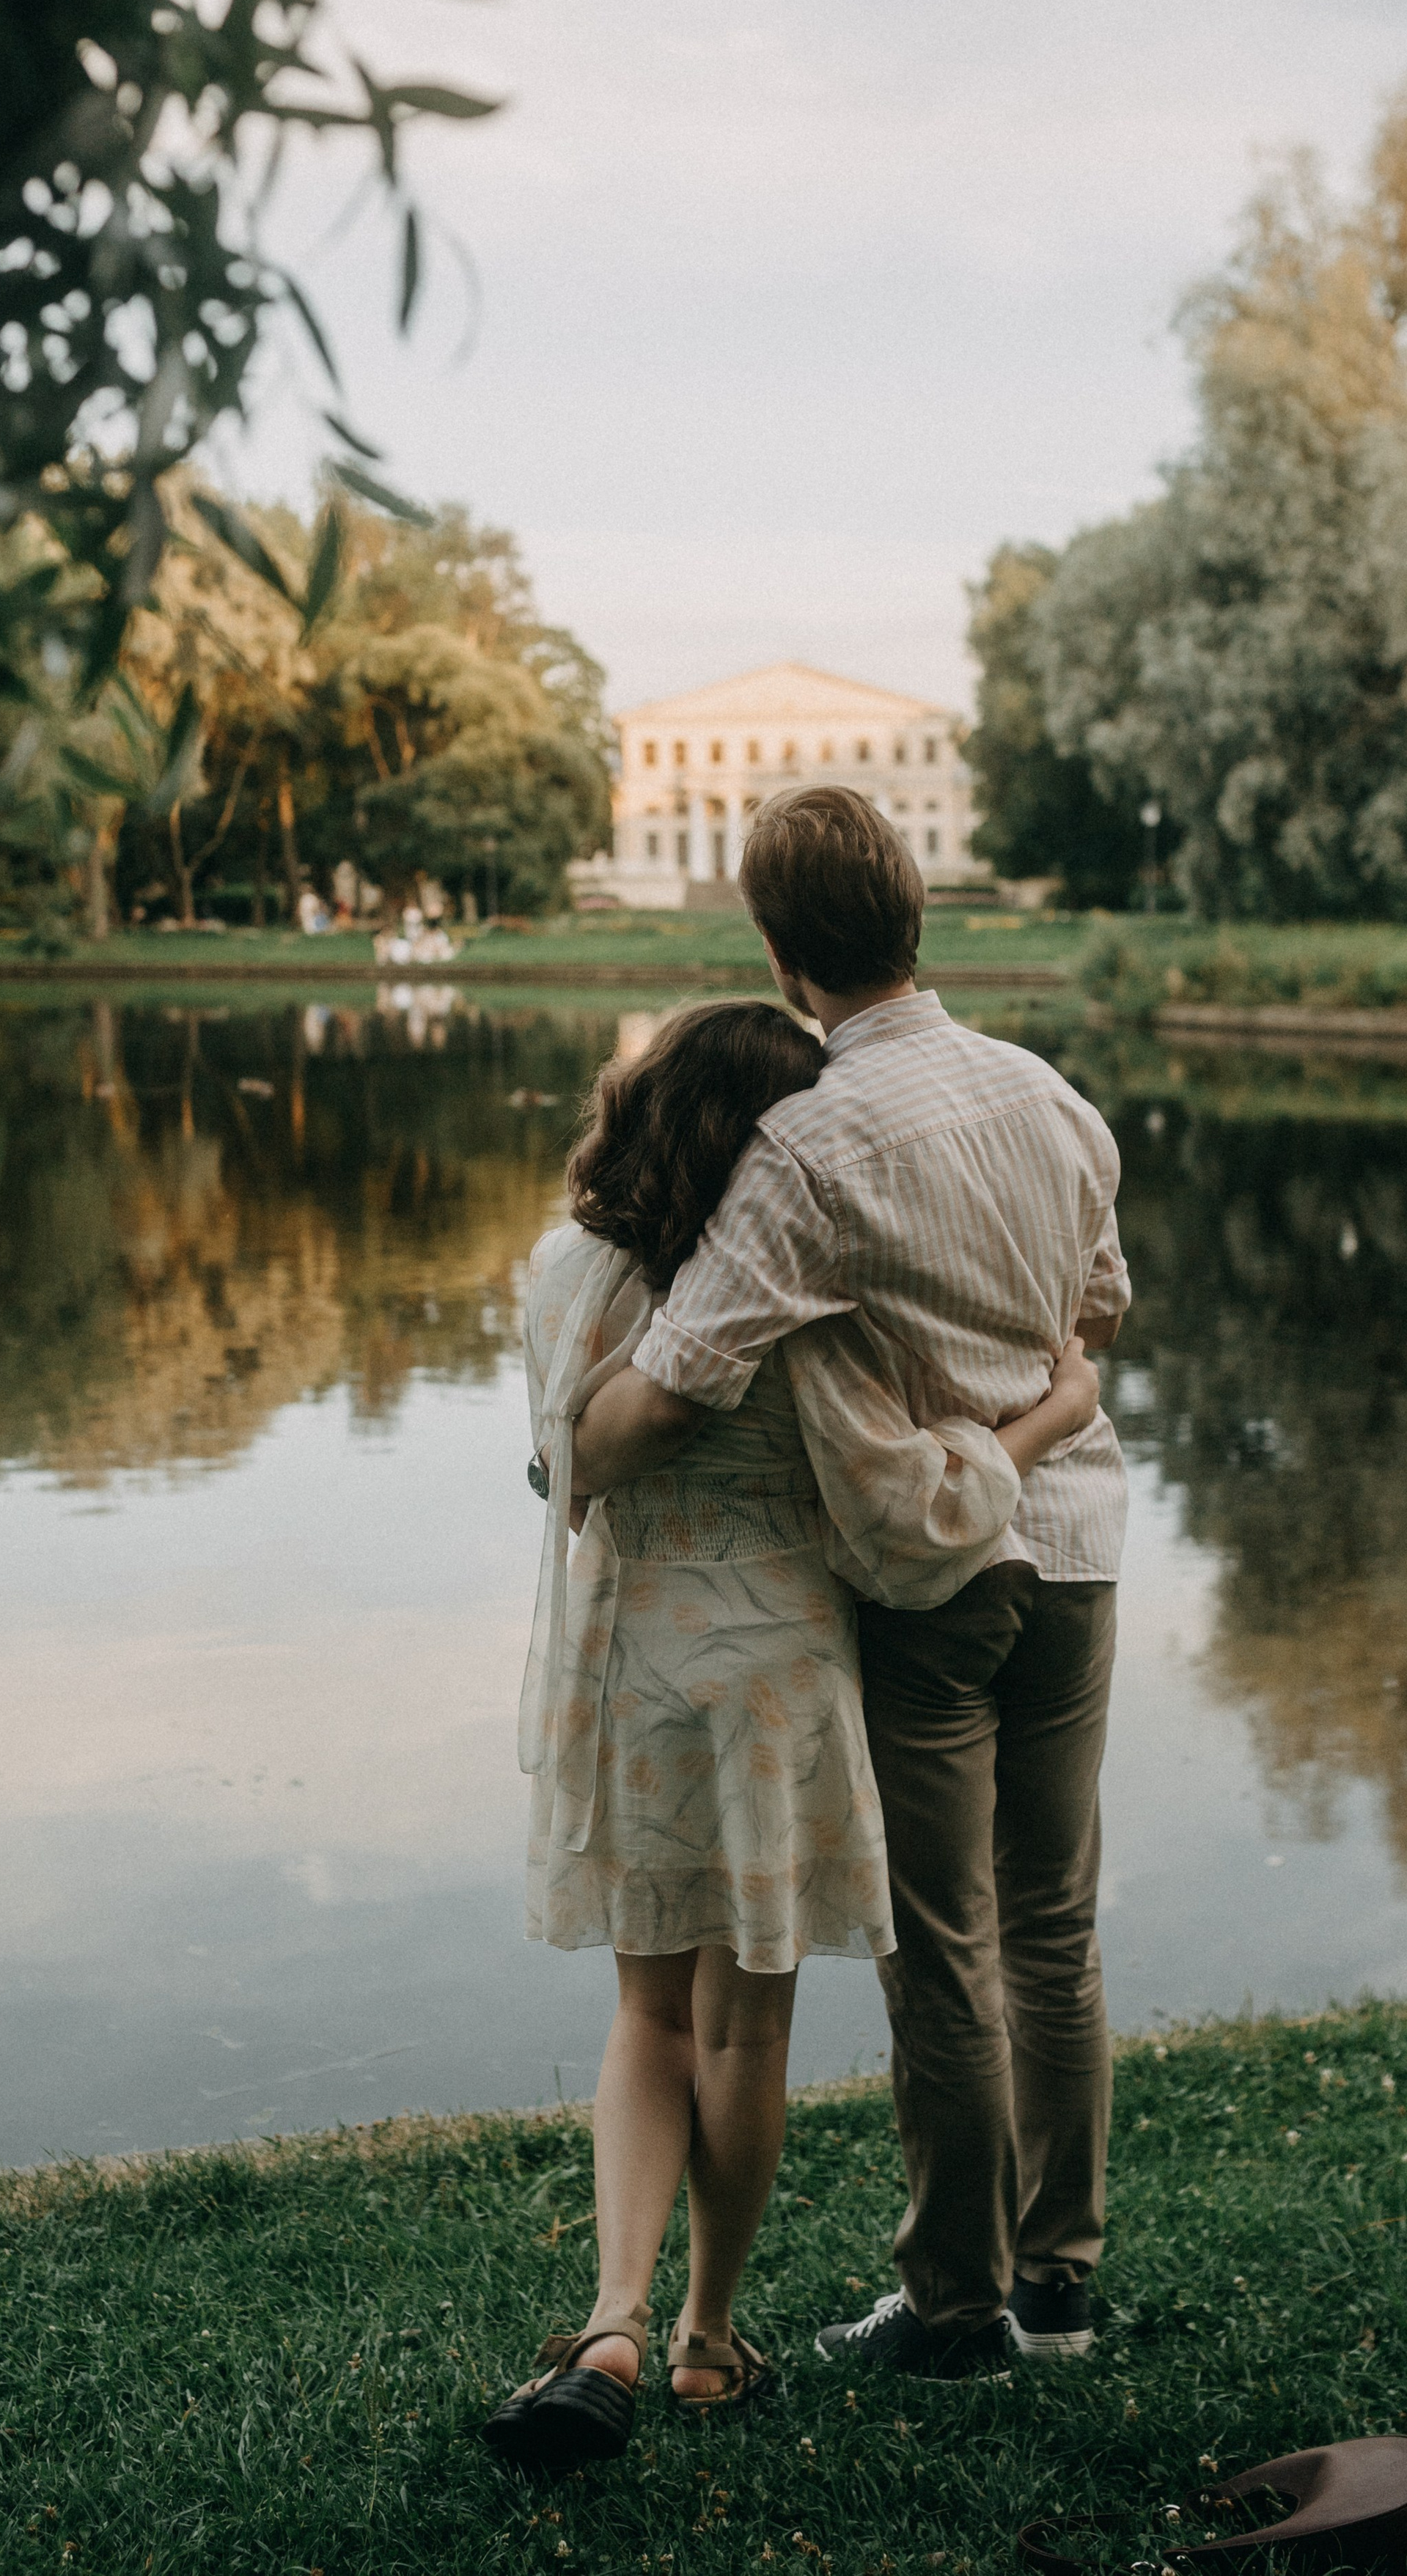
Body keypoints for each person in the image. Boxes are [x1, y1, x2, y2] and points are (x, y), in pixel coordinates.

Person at [486, 998, 1100, 2473]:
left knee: (642, 2014)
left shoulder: (568, 1276)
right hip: (772, 1684)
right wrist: (1046, 1417)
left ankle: (611, 2319)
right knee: (739, 2022)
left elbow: (552, 1463)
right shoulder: (786, 1311)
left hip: (631, 1662)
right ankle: (705, 2340)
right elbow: (907, 1507)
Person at [574, 789, 1131, 2382]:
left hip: (931, 1580)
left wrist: (576, 1450)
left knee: (940, 1941)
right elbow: (1101, 1305)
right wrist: (1025, 1403)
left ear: (774, 949)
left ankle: (956, 2308)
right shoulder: (1048, 1097)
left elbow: (677, 1381)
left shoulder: (805, 1146)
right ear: (917, 914)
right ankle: (1063, 2290)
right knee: (1053, 1926)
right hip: (1076, 1547)